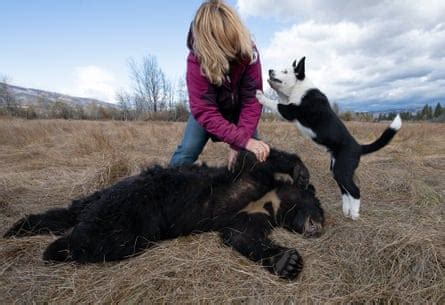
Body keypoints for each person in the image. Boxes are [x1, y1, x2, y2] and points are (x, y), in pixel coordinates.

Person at [169, 0, 270, 169]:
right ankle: (165, 188)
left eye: (233, 42)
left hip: (240, 111)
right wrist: (242, 140)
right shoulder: (196, 60)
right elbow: (204, 110)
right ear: (210, 45)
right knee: (186, 152)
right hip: (209, 111)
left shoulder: (249, 51)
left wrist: (240, 144)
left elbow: (252, 98)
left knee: (253, 156)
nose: (232, 51)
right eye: (225, 46)